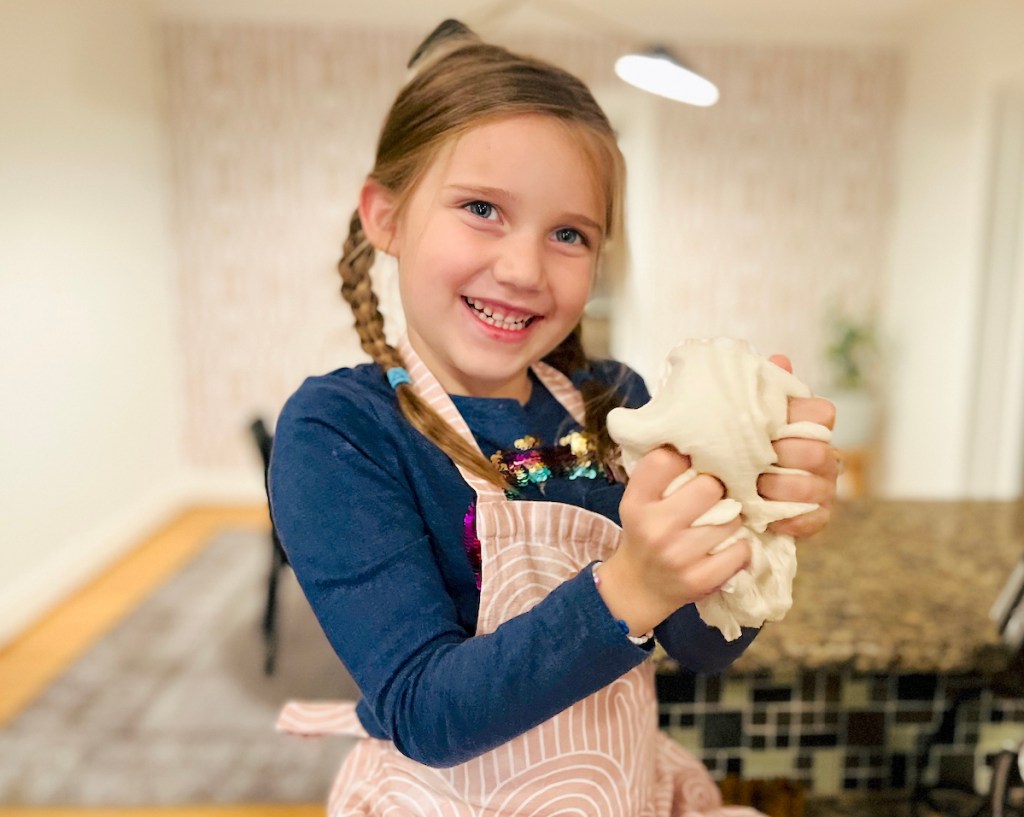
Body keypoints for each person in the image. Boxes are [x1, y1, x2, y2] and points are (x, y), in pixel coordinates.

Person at [269, 19, 837, 816]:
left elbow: (704, 644)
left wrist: (753, 514)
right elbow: (425, 711)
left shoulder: (618, 405)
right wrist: (629, 585)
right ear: (386, 217)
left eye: (569, 233)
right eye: (482, 209)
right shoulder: (342, 430)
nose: (523, 269)